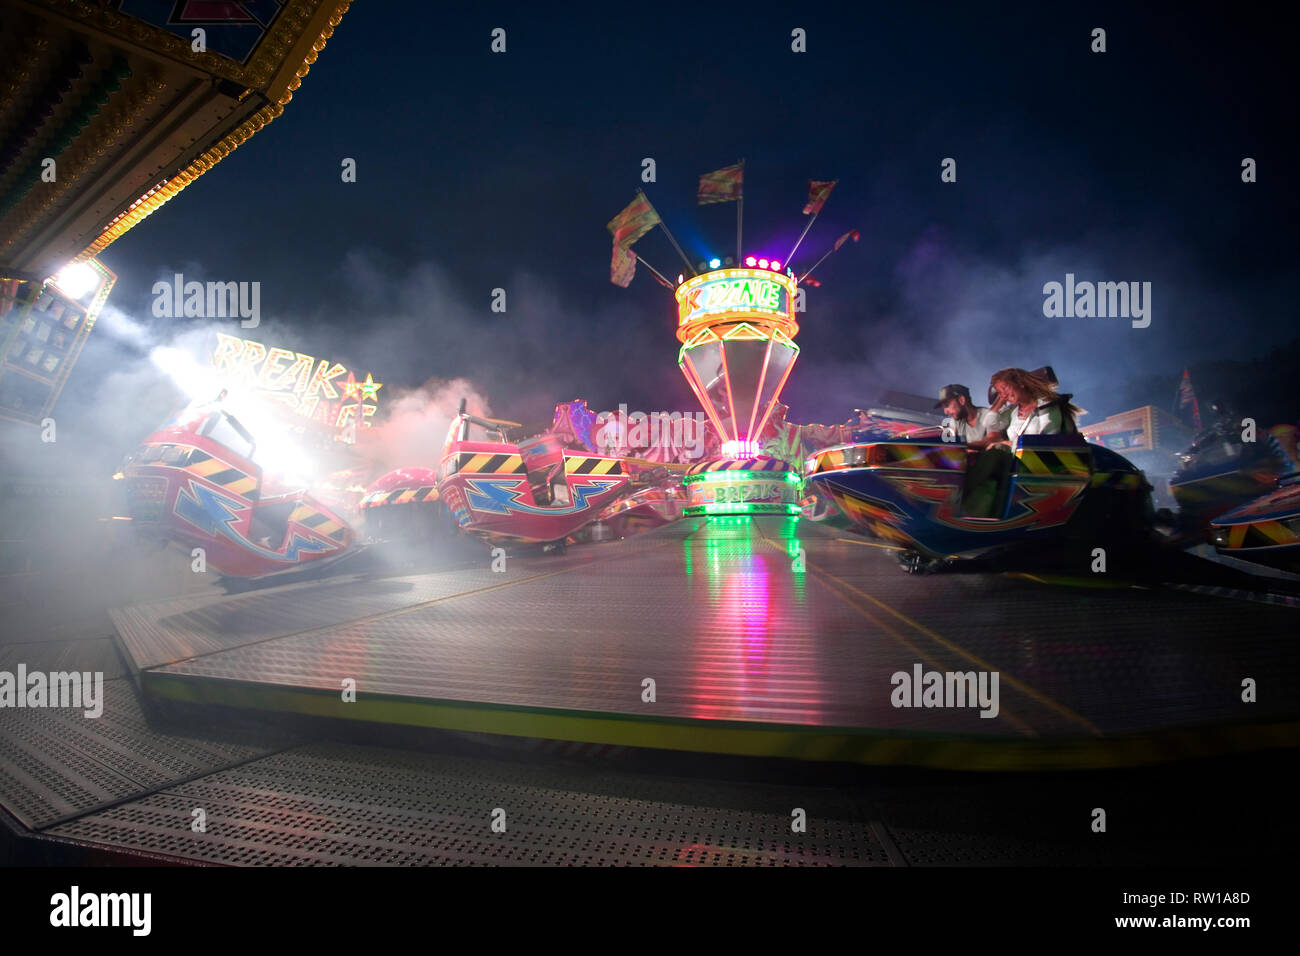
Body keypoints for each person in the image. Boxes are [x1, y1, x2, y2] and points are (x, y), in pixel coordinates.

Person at [961, 368, 1082, 516]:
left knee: (997, 452)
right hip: (1019, 462)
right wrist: (1000, 401)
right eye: (999, 392)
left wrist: (1011, 445)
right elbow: (989, 423)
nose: (1004, 395)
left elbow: (1049, 438)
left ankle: (965, 501)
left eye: (1005, 388)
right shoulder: (1013, 412)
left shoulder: (1046, 405)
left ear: (1020, 383)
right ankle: (974, 510)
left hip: (1043, 463)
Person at [935, 384, 1009, 445]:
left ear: (961, 400)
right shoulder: (955, 421)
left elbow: (993, 440)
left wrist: (963, 446)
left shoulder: (988, 415)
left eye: (947, 405)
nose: (946, 412)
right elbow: (948, 442)